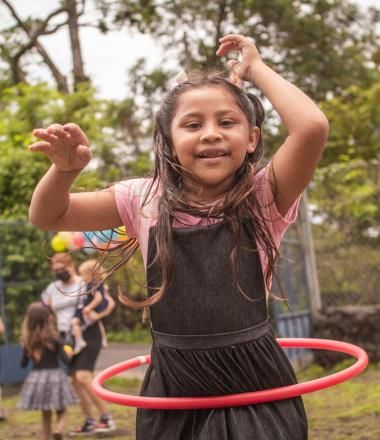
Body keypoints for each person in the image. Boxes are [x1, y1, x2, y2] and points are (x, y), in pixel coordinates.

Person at [28, 33, 329, 439]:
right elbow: (49, 215)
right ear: (169, 140)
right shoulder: (143, 199)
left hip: (256, 386)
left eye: (227, 122)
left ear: (252, 137)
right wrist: (64, 171)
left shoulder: (263, 196)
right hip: (173, 390)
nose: (210, 134)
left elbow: (311, 127)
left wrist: (254, 68)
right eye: (192, 124)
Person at [18, 302, 77, 440]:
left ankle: (46, 437)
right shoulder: (55, 338)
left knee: (45, 414)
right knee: (61, 410)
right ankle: (58, 429)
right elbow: (66, 361)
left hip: (37, 379)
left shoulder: (28, 340)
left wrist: (27, 352)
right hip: (55, 377)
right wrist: (70, 354)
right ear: (48, 318)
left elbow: (22, 364)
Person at [41, 253, 83, 344]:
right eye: (56, 270)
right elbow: (44, 305)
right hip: (61, 334)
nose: (60, 272)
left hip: (82, 332)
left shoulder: (83, 284)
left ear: (71, 266)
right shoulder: (52, 287)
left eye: (62, 269)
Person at [71, 259, 109, 354]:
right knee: (98, 323)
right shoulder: (95, 284)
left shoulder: (93, 285)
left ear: (90, 274)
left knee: (75, 322)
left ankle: (79, 342)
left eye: (83, 275)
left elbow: (98, 298)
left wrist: (89, 307)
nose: (82, 277)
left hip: (90, 308)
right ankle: (103, 339)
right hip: (90, 307)